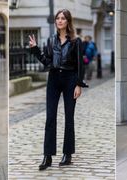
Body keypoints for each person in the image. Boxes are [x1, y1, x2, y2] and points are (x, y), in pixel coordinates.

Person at [29, 9, 88, 171]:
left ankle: (67, 154)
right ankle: (47, 156)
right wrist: (35, 49)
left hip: (70, 79)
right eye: (58, 18)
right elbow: (47, 62)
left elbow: (80, 65)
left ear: (68, 21)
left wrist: (78, 84)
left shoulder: (76, 41)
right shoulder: (51, 40)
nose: (60, 21)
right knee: (50, 118)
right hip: (54, 79)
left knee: (69, 117)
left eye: (63, 18)